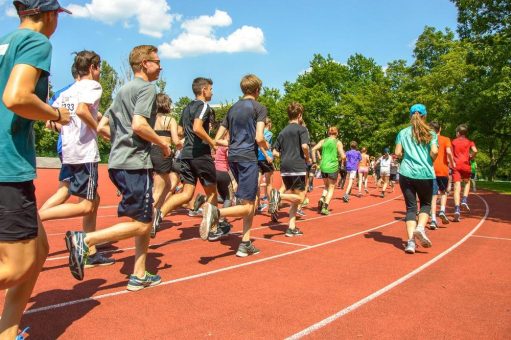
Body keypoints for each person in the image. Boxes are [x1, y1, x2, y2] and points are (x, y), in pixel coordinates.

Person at [66, 45, 170, 291]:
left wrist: (119, 141)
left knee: (141, 218)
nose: (161, 66)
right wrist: (161, 142)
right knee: (144, 223)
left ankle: (139, 274)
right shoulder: (147, 88)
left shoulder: (123, 90)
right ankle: (86, 239)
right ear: (144, 63)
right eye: (157, 61)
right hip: (135, 162)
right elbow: (139, 125)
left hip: (118, 162)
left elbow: (102, 126)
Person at [0, 1, 71, 338]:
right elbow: (16, 97)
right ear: (49, 15)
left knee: (40, 251)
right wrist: (56, 114)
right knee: (16, 266)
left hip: (8, 160)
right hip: (6, 163)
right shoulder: (37, 41)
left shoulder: (5, 42)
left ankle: (7, 331)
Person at [38, 50, 113, 268]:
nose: (100, 73)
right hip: (84, 153)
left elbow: (53, 117)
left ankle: (90, 248)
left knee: (93, 200)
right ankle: (36, 220)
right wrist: (97, 130)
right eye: (99, 68)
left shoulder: (68, 91)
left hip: (69, 152)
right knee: (87, 205)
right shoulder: (93, 86)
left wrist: (67, 129)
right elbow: (82, 111)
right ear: (92, 68)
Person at [152, 78, 230, 240]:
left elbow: (180, 131)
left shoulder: (187, 107)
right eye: (210, 89)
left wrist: (183, 142)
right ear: (204, 90)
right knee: (211, 193)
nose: (212, 92)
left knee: (187, 194)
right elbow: (197, 127)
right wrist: (212, 142)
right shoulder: (204, 106)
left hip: (186, 156)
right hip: (200, 155)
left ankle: (158, 215)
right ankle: (213, 228)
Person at [202, 74, 268, 257]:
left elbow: (216, 140)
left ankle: (245, 242)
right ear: (257, 90)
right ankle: (215, 213)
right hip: (248, 158)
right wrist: (266, 146)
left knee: (249, 200)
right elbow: (259, 137)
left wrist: (233, 145)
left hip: (234, 159)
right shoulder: (259, 108)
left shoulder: (232, 109)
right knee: (249, 206)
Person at [395, 104, 438, 254]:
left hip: (406, 173)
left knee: (411, 208)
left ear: (410, 116)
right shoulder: (431, 133)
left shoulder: (402, 133)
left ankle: (411, 243)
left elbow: (398, 152)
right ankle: (420, 228)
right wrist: (430, 160)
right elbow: (434, 151)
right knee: (426, 204)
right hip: (425, 173)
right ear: (425, 116)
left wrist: (405, 156)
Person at [270, 102, 310, 236]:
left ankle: (291, 228)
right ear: (299, 115)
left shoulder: (282, 132)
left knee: (294, 198)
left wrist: (284, 155)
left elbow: (274, 152)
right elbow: (304, 146)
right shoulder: (302, 129)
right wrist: (308, 157)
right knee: (300, 198)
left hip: (285, 166)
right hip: (297, 165)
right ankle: (279, 196)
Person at [150, 93, 180, 232]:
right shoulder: (170, 120)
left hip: (151, 151)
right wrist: (182, 144)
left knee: (168, 184)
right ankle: (148, 218)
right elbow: (175, 140)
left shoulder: (151, 119)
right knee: (159, 189)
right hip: (163, 152)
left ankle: (155, 213)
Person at [312, 127, 345, 215]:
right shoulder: (338, 142)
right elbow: (343, 156)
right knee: (331, 187)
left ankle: (322, 198)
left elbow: (313, 149)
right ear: (337, 133)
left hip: (323, 166)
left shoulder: (323, 141)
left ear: (328, 133)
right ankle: (325, 207)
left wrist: (315, 162)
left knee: (326, 186)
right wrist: (341, 158)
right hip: (332, 167)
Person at [429, 121, 455, 230]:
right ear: (440, 129)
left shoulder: (428, 139)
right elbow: (449, 152)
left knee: (433, 196)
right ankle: (442, 210)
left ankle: (433, 219)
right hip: (443, 170)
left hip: (430, 170)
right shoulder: (446, 139)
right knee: (444, 192)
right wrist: (452, 162)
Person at [451, 124, 477, 221]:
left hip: (456, 165)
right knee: (467, 182)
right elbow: (475, 150)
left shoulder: (453, 141)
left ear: (458, 133)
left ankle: (457, 209)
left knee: (457, 188)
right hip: (466, 165)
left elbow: (450, 153)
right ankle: (464, 200)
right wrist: (471, 157)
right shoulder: (470, 142)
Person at [256, 117, 274, 212]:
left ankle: (258, 204)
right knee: (269, 183)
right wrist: (267, 154)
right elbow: (265, 145)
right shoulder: (269, 133)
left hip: (257, 158)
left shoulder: (256, 133)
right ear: (269, 124)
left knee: (257, 183)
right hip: (266, 159)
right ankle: (271, 205)